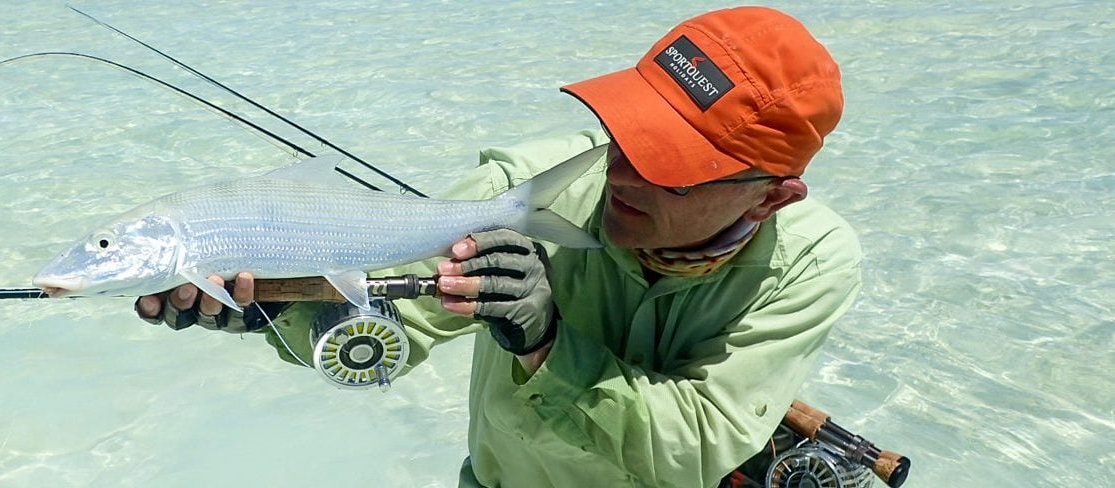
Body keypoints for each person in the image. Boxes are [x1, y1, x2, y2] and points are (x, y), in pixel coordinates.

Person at [134, 6, 860, 487]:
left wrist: (546, 340)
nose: (623, 174)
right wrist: (279, 309)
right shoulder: (520, 188)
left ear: (771, 197)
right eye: (629, 135)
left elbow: (698, 449)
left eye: (669, 169)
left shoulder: (814, 260)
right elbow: (377, 341)